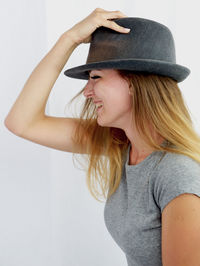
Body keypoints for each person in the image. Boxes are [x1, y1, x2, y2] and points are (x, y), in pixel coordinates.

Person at [4, 7, 200, 266]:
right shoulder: (122, 145)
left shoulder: (177, 175)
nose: (87, 91)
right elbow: (22, 122)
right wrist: (69, 39)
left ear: (134, 83)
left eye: (95, 77)